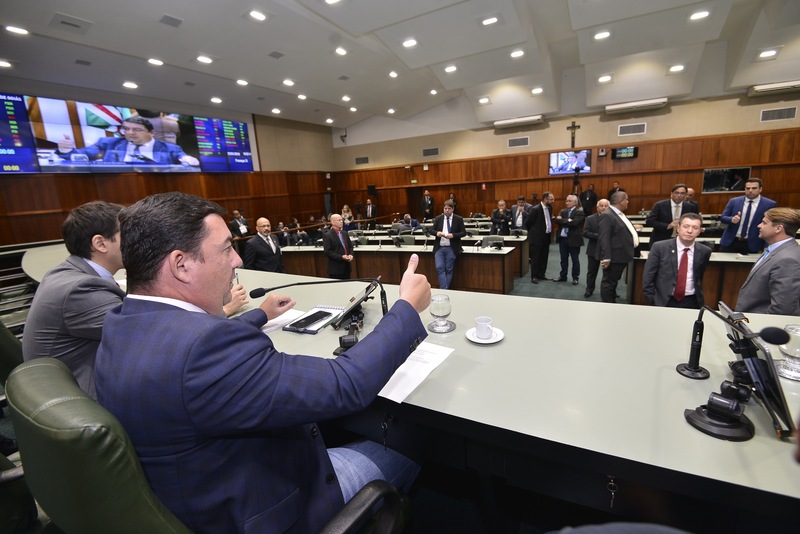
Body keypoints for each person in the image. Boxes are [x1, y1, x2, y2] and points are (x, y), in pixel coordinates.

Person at [94, 191, 431, 534]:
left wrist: (259, 315)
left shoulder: (122, 322)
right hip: (273, 506)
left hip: (196, 494)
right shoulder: (205, 351)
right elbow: (345, 383)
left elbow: (188, 346)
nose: (237, 260)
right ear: (181, 265)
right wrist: (407, 308)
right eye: (226, 249)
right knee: (414, 442)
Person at [22, 201, 125, 399]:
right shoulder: (81, 290)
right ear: (100, 243)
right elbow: (139, 333)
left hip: (58, 385)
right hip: (81, 397)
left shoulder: (68, 271)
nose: (137, 240)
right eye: (128, 233)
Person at [56, 116, 199, 166]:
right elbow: (81, 156)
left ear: (152, 133)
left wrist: (188, 159)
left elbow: (184, 158)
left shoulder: (170, 149)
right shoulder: (107, 143)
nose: (130, 133)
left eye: (137, 129)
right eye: (126, 129)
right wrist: (66, 150)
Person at [735, 207, 800, 315]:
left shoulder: (788, 260)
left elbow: (783, 308)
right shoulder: (775, 250)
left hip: (760, 322)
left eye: (764, 223)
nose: (759, 225)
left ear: (778, 228)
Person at [643, 213, 712, 309]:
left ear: (699, 231)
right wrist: (653, 300)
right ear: (678, 228)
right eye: (686, 226)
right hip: (663, 301)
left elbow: (699, 276)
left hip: (691, 301)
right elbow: (648, 276)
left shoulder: (704, 251)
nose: (689, 231)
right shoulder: (659, 247)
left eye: (695, 228)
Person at [598, 192, 639, 303]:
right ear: (621, 201)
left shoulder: (618, 214)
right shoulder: (607, 215)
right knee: (609, 282)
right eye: (626, 200)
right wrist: (606, 258)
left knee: (613, 281)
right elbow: (604, 238)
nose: (628, 202)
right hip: (614, 256)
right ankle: (607, 305)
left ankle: (612, 301)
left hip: (621, 255)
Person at [720, 178, 777, 254]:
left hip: (753, 244)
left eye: (754, 188)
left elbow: (771, 226)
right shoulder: (734, 201)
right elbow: (723, 218)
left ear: (760, 189)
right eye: (748, 188)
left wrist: (766, 246)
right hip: (731, 242)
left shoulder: (769, 204)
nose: (750, 190)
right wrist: (731, 219)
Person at [432, 200, 466, 289]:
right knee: (439, 267)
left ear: (453, 209)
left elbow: (463, 233)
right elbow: (431, 230)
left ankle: (444, 290)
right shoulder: (438, 218)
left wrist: (453, 235)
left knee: (448, 269)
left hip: (451, 248)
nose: (447, 210)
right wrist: (437, 233)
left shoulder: (458, 219)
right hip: (439, 248)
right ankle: (445, 290)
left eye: (449, 208)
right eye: (445, 208)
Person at [525, 192, 555, 284]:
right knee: (536, 257)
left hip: (546, 237)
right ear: (545, 199)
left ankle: (541, 274)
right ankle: (534, 276)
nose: (553, 201)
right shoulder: (535, 209)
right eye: (551, 199)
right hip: (536, 238)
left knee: (544, 257)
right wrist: (534, 232)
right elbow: (527, 223)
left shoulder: (549, 208)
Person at [554, 195, 584, 284]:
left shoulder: (579, 212)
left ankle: (575, 278)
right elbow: (556, 220)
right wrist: (568, 220)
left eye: (569, 201)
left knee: (575, 259)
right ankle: (563, 276)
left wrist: (563, 220)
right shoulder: (563, 211)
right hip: (563, 239)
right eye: (566, 201)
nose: (567, 202)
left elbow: (575, 223)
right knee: (563, 259)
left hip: (574, 239)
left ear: (575, 202)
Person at [583, 198, 609, 298]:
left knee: (608, 273)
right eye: (601, 206)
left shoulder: (613, 218)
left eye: (606, 206)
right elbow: (585, 232)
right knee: (592, 272)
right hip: (593, 249)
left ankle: (609, 291)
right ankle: (589, 289)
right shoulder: (590, 218)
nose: (604, 208)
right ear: (597, 207)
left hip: (607, 250)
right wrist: (600, 236)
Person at [323, 213, 354, 279]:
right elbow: (327, 252)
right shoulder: (328, 235)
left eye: (341, 220)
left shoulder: (345, 233)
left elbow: (350, 247)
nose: (341, 222)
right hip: (336, 269)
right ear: (333, 222)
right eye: (339, 220)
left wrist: (351, 254)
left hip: (347, 267)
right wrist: (341, 257)